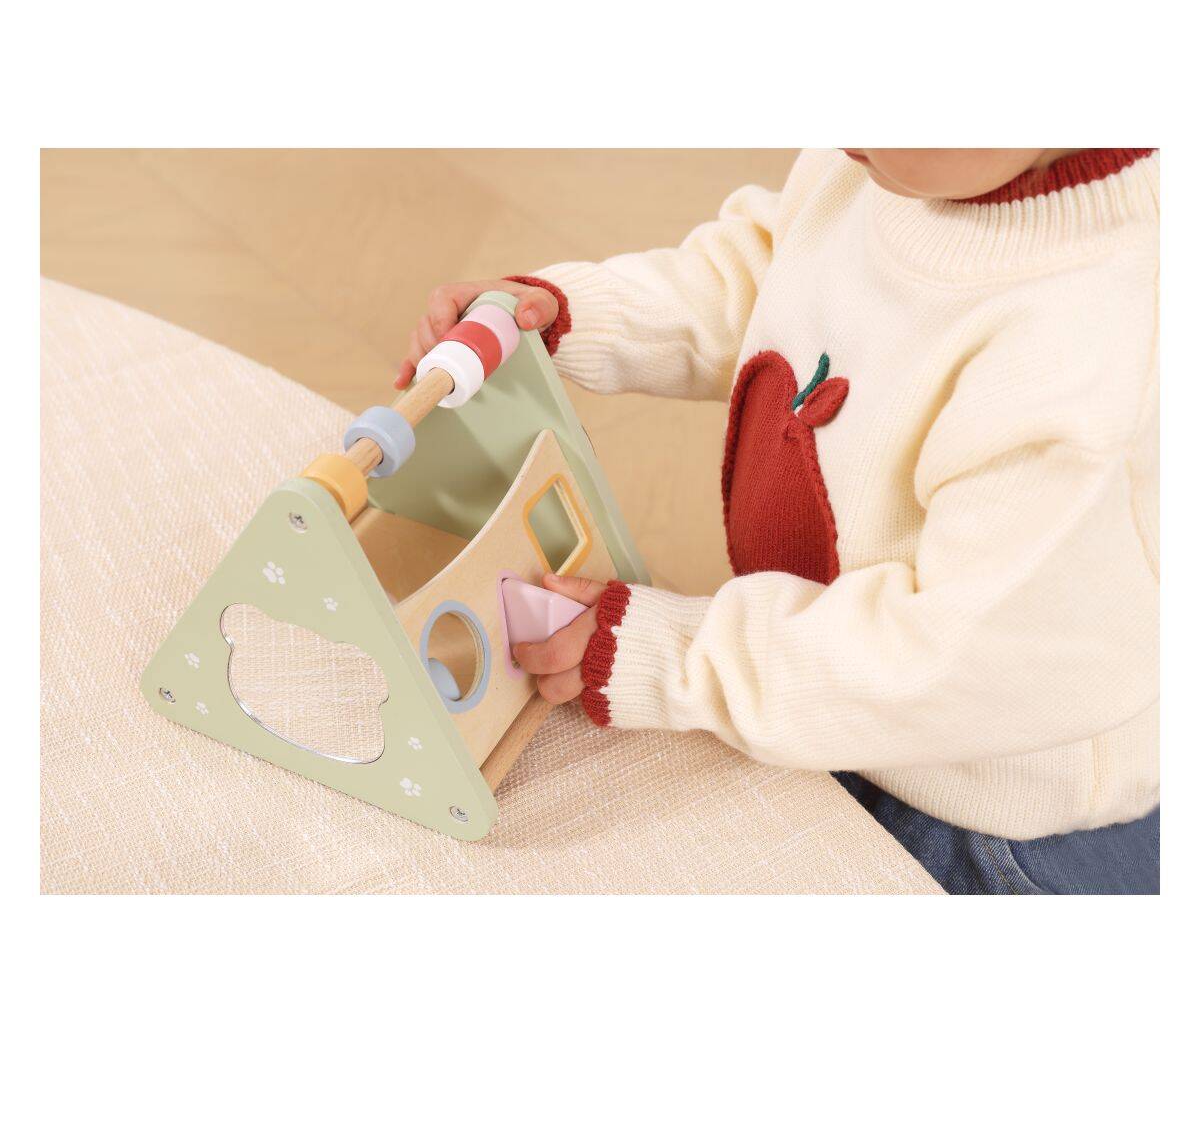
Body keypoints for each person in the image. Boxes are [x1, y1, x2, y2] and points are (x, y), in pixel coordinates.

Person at [397, 149, 1160, 894]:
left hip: (982, 804)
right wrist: (571, 315)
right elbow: (770, 270)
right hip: (833, 684)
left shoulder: (1086, 360)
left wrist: (677, 657)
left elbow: (948, 663)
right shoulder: (885, 162)